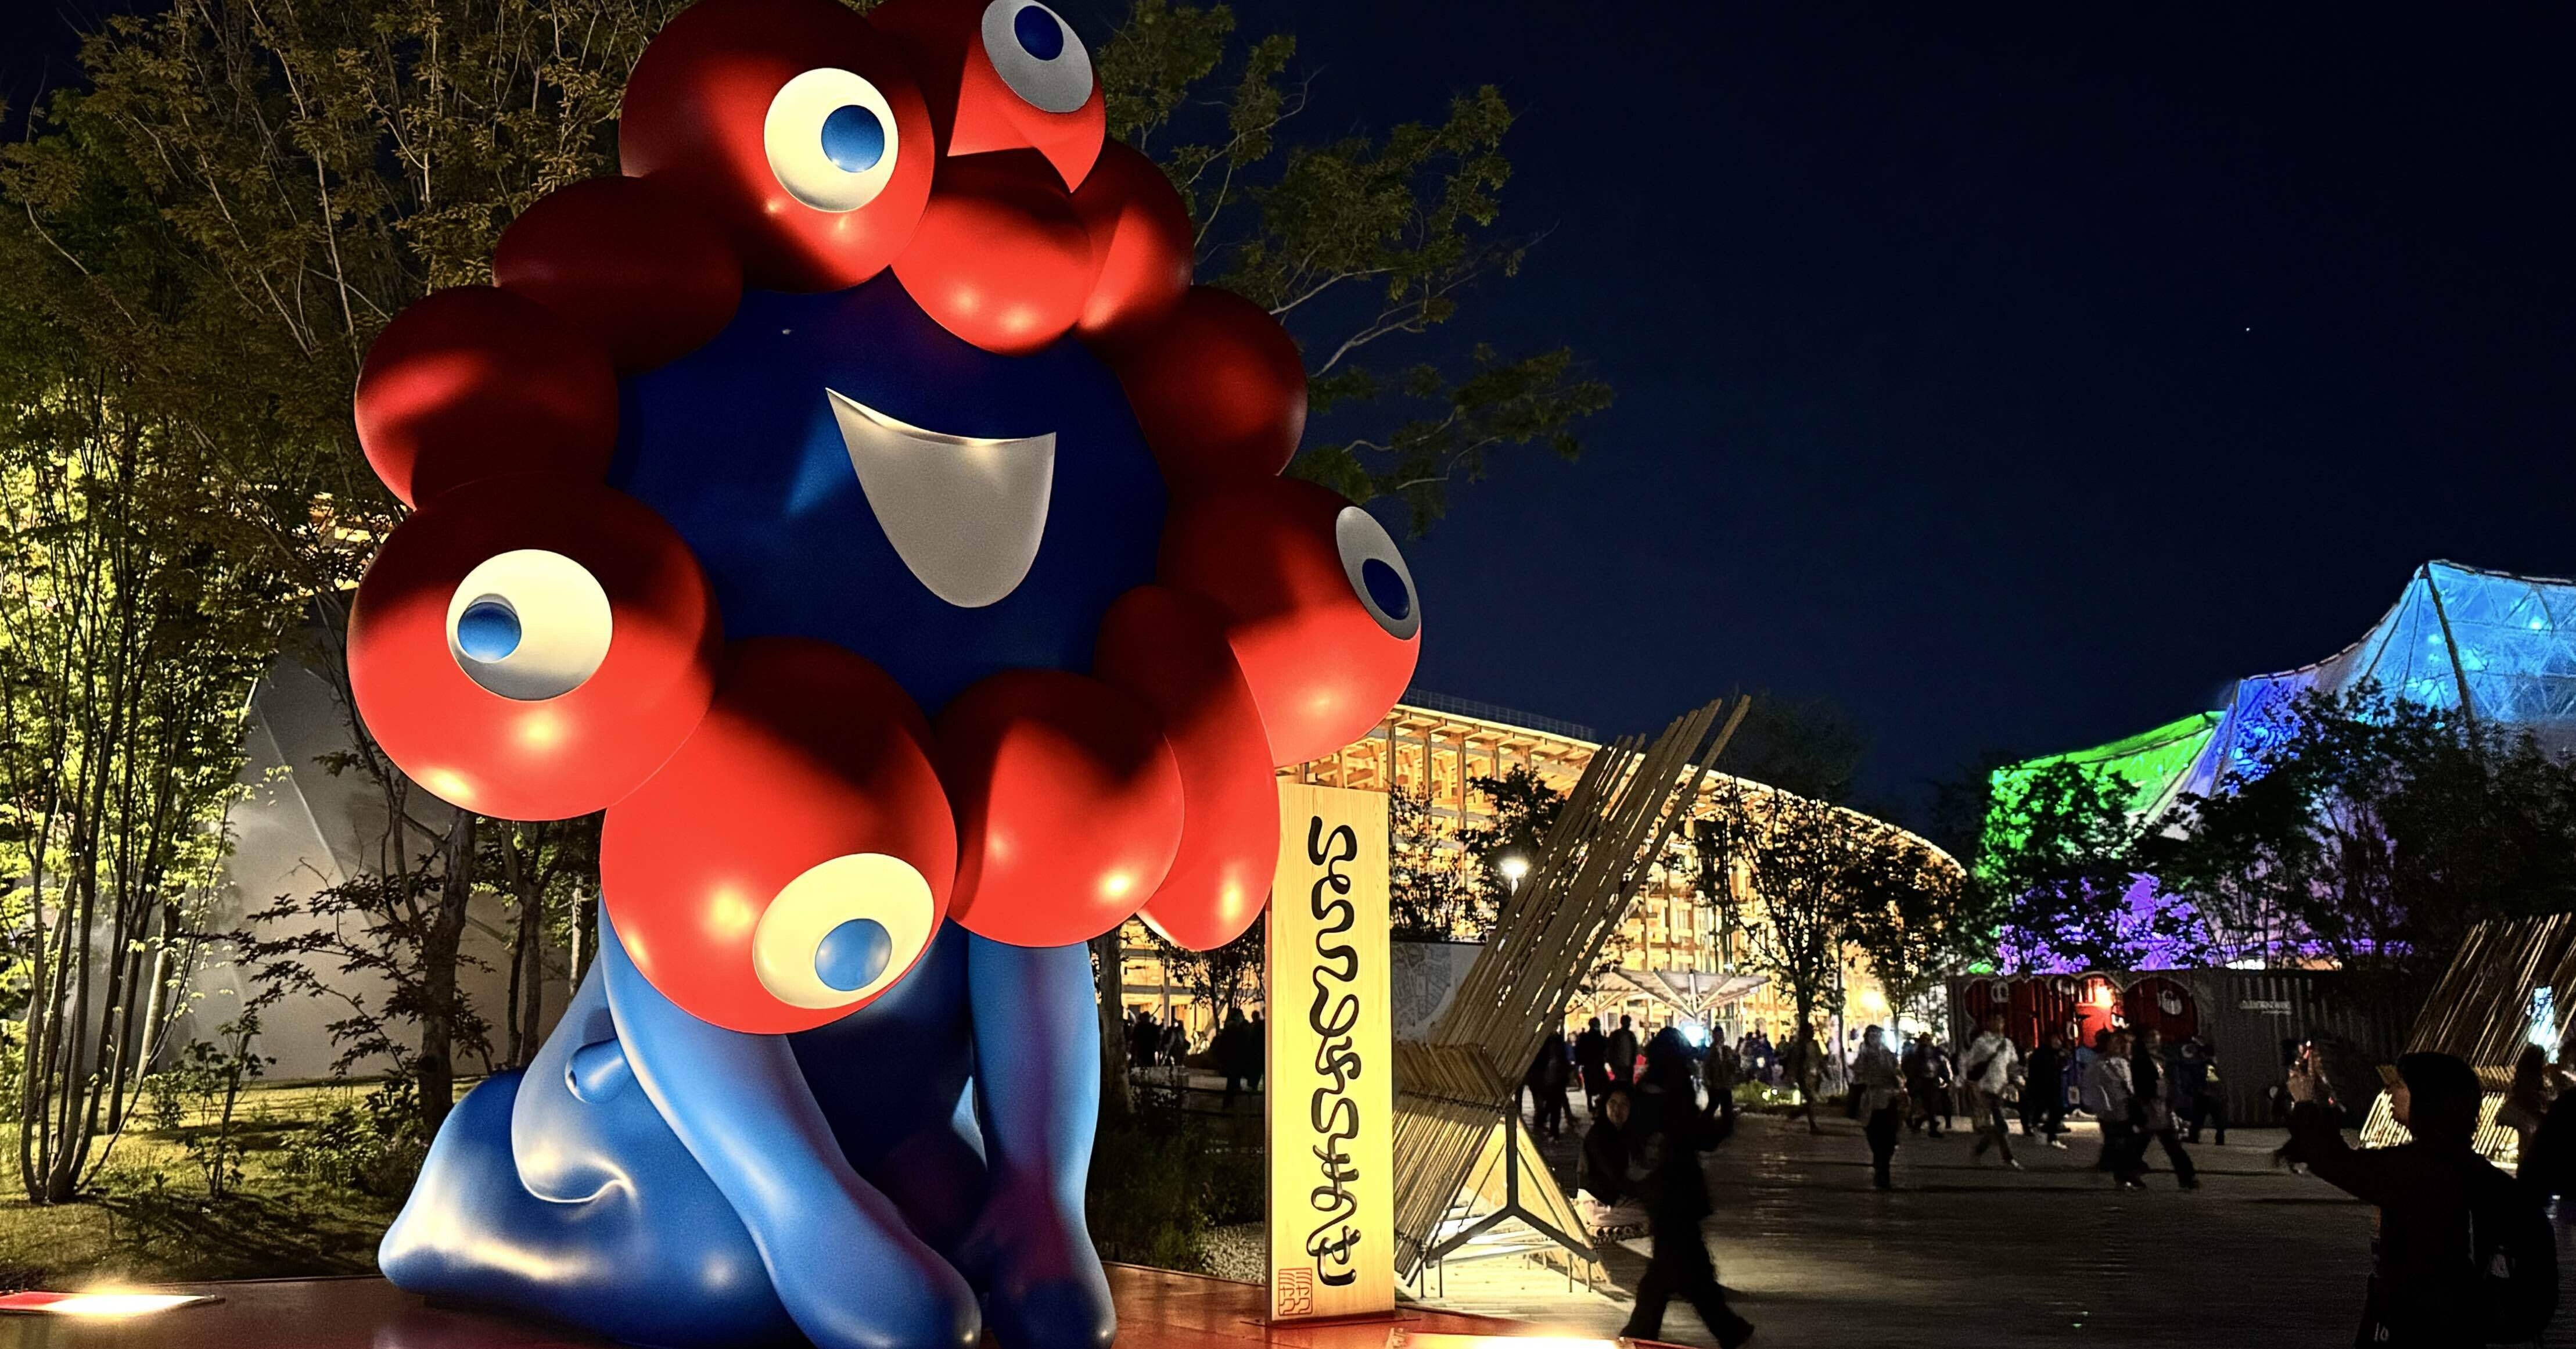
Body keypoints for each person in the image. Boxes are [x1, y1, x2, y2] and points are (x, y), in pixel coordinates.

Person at [2287, 1049, 2543, 1348]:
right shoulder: (2469, 1167)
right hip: (2459, 1326)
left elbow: (2335, 1163)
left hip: (2416, 1326)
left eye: (2402, 1084)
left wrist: (2305, 1103)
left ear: (2429, 1097)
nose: (2391, 1090)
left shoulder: (2420, 1169)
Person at [1616, 1058, 1755, 1349]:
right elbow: (1700, 1137)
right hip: (1678, 1192)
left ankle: (1726, 1328)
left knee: (1689, 1267)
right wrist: (1725, 1121)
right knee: (1673, 1268)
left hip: (1657, 1192)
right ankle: (1644, 1330)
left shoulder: (1644, 1096)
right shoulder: (1675, 1096)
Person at [2128, 1025, 2198, 1189]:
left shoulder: (2164, 1059)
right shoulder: (2140, 1060)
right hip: (2150, 1106)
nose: (2153, 1041)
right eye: (2150, 1038)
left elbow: (2171, 1081)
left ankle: (2187, 1178)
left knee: (2170, 1145)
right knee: (2148, 1143)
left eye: (2155, 1038)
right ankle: (2130, 1174)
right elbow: (2140, 1084)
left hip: (2163, 1107)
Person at [1579, 1087, 1648, 1236]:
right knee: (1661, 1213)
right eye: (1613, 1103)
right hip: (1601, 1203)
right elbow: (1615, 1177)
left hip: (1615, 1197)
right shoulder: (1599, 1136)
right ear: (1605, 1106)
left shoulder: (1624, 1133)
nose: (1618, 1109)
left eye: (1624, 1104)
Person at [1959, 1013, 2021, 1169]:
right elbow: (1971, 1064)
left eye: (2001, 1020)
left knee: (1997, 1128)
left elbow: (2013, 1065)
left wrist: (2017, 1081)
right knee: (2001, 1124)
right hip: (1985, 1087)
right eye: (1995, 1020)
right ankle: (2008, 1158)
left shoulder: (2007, 1044)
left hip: (2001, 1088)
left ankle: (1978, 1152)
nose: (1998, 1023)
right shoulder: (1981, 1043)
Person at [2086, 1029, 2143, 1188]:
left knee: (2129, 1143)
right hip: (2111, 1111)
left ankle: (2126, 1174)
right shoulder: (2099, 1065)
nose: (2120, 1046)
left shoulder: (2126, 1063)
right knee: (2119, 1143)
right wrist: (2104, 1108)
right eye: (2116, 1042)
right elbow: (2094, 1088)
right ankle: (2123, 1176)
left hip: (2128, 1107)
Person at [1852, 1024, 1906, 1190]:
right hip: (1872, 1101)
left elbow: (1898, 1073)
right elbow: (1858, 1075)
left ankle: (1883, 1167)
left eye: (1878, 1036)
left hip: (1889, 1099)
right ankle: (1881, 1169)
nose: (1875, 1039)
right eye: (1872, 1036)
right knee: (1874, 1136)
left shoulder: (1888, 1055)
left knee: (1889, 1138)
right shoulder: (1863, 1056)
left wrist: (1899, 1083)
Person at [2498, 1043, 2550, 1173]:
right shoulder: (2532, 1078)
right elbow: (2529, 1097)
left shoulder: (2527, 1076)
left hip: (2525, 1117)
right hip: (2527, 1117)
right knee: (2529, 1145)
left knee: (2526, 1146)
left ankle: (2524, 1170)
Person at [2021, 1029, 2070, 1149]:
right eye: (2054, 1039)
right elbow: (2036, 1072)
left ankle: (2048, 1133)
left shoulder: (2058, 1054)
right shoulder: (2041, 1054)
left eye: (2058, 1039)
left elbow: (2063, 1067)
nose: (2057, 1042)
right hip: (2042, 1088)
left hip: (2053, 1088)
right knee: (2047, 1110)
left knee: (2056, 1111)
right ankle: (2042, 1130)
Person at [2178, 1035, 2228, 1146]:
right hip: (2217, 1093)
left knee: (2198, 1117)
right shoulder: (2213, 1063)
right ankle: (2220, 1138)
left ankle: (2194, 1137)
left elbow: (2195, 1078)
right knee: (2218, 1117)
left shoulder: (2199, 1064)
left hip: (2204, 1093)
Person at [1525, 1031, 1573, 1139]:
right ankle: (1549, 1127)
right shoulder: (1551, 1041)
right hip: (1549, 1078)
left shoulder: (1548, 1041)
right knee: (1553, 1105)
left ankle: (1550, 1128)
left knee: (1553, 1105)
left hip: (1552, 1078)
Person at [1902, 1031, 1948, 1136]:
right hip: (1920, 1082)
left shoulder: (1934, 1053)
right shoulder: (1916, 1053)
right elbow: (1909, 1067)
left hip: (1931, 1082)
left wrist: (1945, 1078)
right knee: (1923, 1106)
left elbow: (1940, 1065)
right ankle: (1919, 1124)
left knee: (1930, 1106)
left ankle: (1926, 1126)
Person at [1575, 1017, 1612, 1115]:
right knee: (1603, 1085)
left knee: (1589, 1085)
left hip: (1588, 1066)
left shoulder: (1584, 1038)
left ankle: (1590, 1104)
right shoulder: (1600, 1038)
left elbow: (1578, 1051)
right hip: (1598, 1065)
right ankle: (1600, 1104)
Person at [1608, 1015, 1641, 1091]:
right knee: (1626, 1084)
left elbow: (1610, 1049)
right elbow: (1636, 1049)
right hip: (1625, 1065)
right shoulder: (1630, 1035)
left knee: (1621, 1084)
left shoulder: (1616, 1035)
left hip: (1621, 1065)